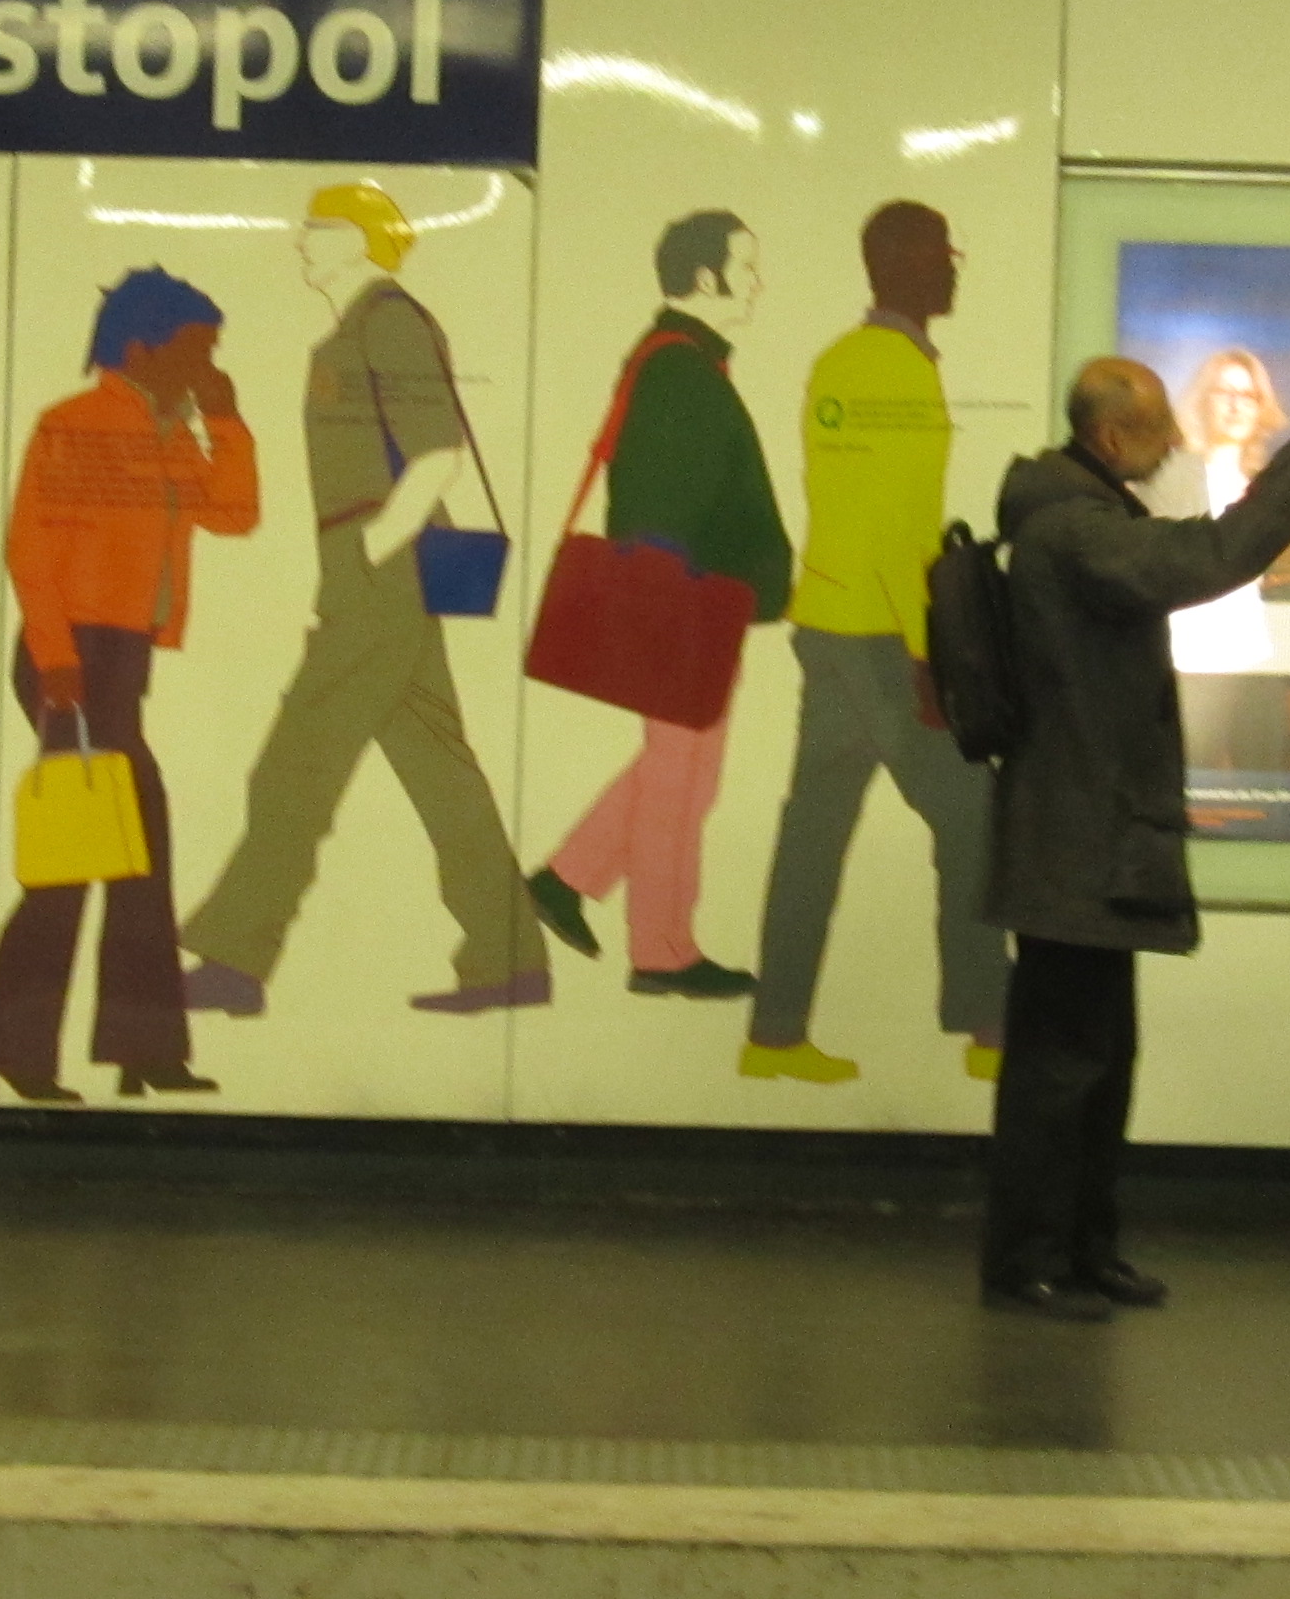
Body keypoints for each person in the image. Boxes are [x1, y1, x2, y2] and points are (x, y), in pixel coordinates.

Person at [978, 331, 1290, 1319]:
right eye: (1156, 425)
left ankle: (1083, 1247)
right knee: (1061, 1070)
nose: (1174, 438)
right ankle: (1027, 1263)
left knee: (1096, 1062)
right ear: (1111, 434)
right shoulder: (1077, 530)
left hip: (1091, 834)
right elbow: (1215, 553)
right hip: (1078, 839)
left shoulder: (1078, 513)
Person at [179, 181, 547, 1018]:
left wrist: (373, 551)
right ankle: (510, 959)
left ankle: (236, 962)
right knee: (441, 771)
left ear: (364, 239)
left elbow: (438, 456)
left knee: (294, 767)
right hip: (377, 571)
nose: (301, 239)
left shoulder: (390, 322)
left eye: (319, 227)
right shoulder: (357, 329)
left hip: (380, 570)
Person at [0, 268, 261, 1105]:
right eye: (197, 350)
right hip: (72, 657)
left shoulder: (172, 432)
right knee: (84, 855)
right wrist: (57, 658)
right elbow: (30, 548)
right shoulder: (75, 423)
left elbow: (235, 514)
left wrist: (226, 418)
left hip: (122, 658)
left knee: (121, 853)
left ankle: (101, 1053)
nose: (207, 365)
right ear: (141, 347)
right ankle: (34, 1055)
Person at [740, 200, 1006, 1085]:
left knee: (812, 834)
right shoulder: (898, 372)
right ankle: (986, 1023)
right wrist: (928, 659)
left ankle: (774, 1034)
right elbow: (899, 530)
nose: (955, 267)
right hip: (881, 644)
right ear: (898, 264)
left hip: (829, 625)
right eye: (942, 251)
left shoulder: (841, 363)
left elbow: (843, 508)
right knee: (971, 814)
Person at [530, 210, 791, 1000]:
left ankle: (565, 879)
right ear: (705, 279)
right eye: (746, 266)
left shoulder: (680, 362)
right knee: (681, 782)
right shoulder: (680, 371)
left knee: (682, 774)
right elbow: (665, 502)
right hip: (684, 609)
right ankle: (662, 951)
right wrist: (688, 603)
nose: (757, 281)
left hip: (690, 606)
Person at [1162, 346, 1290, 775]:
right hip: (1189, 665)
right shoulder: (1174, 480)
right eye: (1225, 392)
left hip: (1252, 663)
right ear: (1203, 401)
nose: (1237, 405)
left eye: (1249, 395)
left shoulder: (1262, 489)